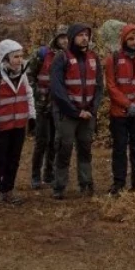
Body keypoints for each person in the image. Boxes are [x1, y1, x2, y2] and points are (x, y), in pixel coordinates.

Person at [50, 23, 104, 199]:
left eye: (87, 35)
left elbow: (99, 87)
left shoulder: (94, 58)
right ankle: (59, 186)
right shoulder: (62, 58)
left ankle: (86, 183)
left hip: (88, 113)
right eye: (81, 35)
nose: (85, 38)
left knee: (85, 148)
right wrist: (75, 112)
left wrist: (92, 109)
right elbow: (57, 89)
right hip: (68, 114)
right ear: (73, 37)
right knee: (64, 148)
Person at [0, 39, 34, 205]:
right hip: (1, 126)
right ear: (5, 58)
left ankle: (8, 189)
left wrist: (32, 117)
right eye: (15, 57)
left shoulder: (22, 73)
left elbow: (29, 94)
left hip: (18, 125)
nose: (19, 60)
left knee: (14, 158)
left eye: (21, 56)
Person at [105, 24, 135, 196]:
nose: (134, 42)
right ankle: (118, 183)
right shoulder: (114, 58)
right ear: (124, 39)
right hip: (119, 112)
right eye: (131, 39)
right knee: (119, 148)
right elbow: (111, 85)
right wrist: (127, 104)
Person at [27, 25, 68, 189]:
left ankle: (49, 174)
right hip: (43, 104)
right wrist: (37, 93)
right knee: (42, 140)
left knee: (55, 142)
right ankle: (35, 176)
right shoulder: (42, 54)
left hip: (59, 106)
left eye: (67, 37)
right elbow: (30, 74)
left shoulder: (69, 56)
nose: (65, 40)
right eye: (62, 37)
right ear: (56, 39)